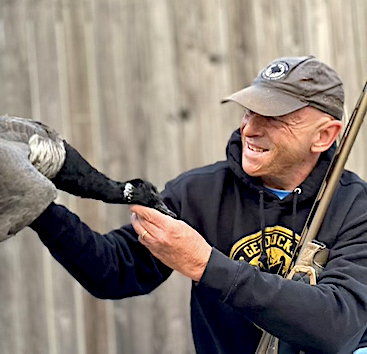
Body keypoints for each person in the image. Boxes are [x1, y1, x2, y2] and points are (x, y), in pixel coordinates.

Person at [29, 56, 367, 354]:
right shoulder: (199, 192)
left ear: (324, 136)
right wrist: (35, 204)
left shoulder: (356, 208)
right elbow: (114, 272)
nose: (249, 128)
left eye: (273, 118)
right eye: (250, 110)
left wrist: (204, 263)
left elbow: (336, 329)